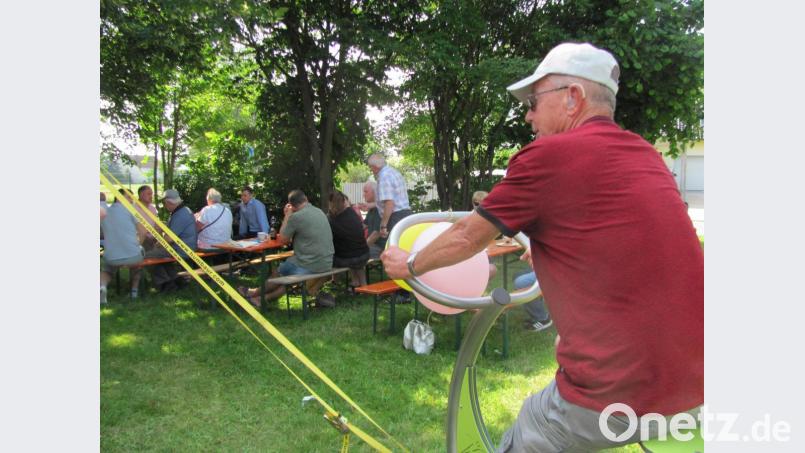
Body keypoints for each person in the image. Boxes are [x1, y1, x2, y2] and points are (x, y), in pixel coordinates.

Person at [381, 42, 703, 452]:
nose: (529, 116)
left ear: (573, 98)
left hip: (615, 397)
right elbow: (627, 239)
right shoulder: (645, 155)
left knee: (532, 423)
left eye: (534, 102)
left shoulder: (551, 154)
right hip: (694, 387)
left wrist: (408, 263)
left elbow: (466, 237)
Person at [239, 190, 333, 307]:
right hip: (326, 262)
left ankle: (253, 293)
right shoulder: (319, 211)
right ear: (306, 199)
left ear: (292, 205)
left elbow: (283, 240)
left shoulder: (297, 217)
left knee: (278, 273)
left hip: (309, 264)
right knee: (287, 279)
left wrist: (287, 215)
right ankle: (261, 298)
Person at [145, 189, 198, 292]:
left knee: (147, 256)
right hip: (187, 247)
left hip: (181, 249)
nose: (165, 206)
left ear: (168, 202)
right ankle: (175, 279)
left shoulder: (180, 215)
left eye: (164, 203)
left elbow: (169, 239)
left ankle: (165, 283)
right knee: (159, 256)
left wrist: (157, 245)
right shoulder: (184, 210)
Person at [100, 188, 146, 303]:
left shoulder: (104, 211)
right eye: (129, 197)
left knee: (107, 269)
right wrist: (138, 244)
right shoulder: (131, 210)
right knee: (138, 262)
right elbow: (143, 232)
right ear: (119, 197)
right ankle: (134, 292)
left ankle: (102, 286)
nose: (132, 200)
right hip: (133, 256)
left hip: (112, 257)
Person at [328, 190, 370, 288]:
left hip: (347, 258)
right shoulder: (352, 212)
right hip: (364, 254)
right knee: (354, 254)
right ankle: (362, 285)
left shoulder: (331, 219)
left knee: (334, 255)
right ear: (344, 201)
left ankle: (336, 282)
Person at [366, 153, 412, 240]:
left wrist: (383, 225)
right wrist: (371, 205)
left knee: (393, 248)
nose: (371, 170)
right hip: (405, 214)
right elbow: (396, 199)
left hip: (395, 217)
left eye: (370, 167)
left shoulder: (384, 177)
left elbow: (389, 203)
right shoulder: (393, 172)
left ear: (375, 166)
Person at [513, 247, 552, 332]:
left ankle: (542, 318)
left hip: (555, 268)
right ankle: (537, 310)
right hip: (548, 263)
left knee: (521, 283)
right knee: (518, 274)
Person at [359, 181, 384, 258]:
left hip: (380, 247)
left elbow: (376, 234)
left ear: (375, 192)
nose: (363, 195)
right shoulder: (372, 208)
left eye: (366, 192)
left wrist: (363, 247)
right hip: (373, 245)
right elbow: (364, 225)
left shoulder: (380, 209)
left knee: (356, 254)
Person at [135, 185, 160, 251]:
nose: (151, 196)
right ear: (141, 195)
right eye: (149, 194)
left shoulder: (153, 208)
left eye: (152, 194)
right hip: (140, 240)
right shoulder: (133, 208)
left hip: (153, 239)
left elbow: (156, 225)